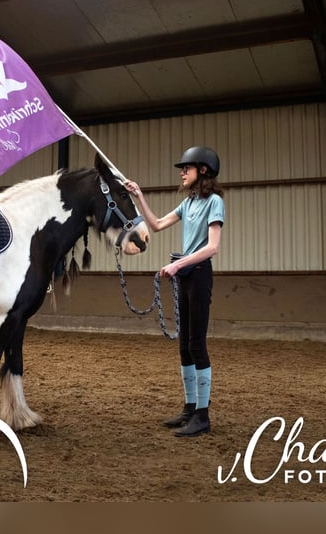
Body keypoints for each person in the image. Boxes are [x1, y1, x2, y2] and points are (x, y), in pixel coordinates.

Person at [125, 145, 224, 437]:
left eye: (187, 168)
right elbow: (156, 225)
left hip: (199, 274)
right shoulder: (187, 204)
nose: (182, 172)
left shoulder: (214, 201)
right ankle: (190, 408)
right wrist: (139, 196)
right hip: (184, 274)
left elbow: (212, 247)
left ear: (202, 171)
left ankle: (203, 416)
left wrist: (178, 265)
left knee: (197, 344)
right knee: (184, 346)